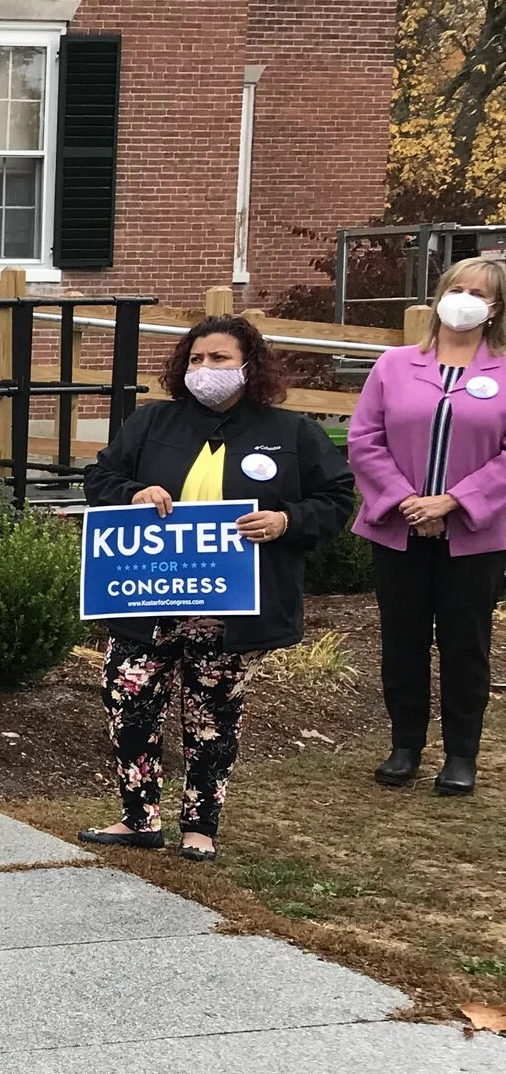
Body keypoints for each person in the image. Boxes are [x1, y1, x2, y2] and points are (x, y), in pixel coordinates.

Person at [81, 315, 355, 858]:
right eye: (196, 359)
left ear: (249, 366)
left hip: (231, 608)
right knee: (129, 707)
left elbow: (337, 497)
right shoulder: (151, 423)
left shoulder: (291, 433)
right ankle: (139, 819)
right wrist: (133, 492)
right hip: (147, 599)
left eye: (219, 359)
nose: (205, 369)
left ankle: (200, 827)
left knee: (211, 717)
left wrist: (286, 522)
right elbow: (100, 479)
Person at [346, 256, 506, 795]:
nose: (462, 299)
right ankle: (405, 745)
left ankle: (462, 754)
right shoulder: (393, 365)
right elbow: (365, 439)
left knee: (466, 645)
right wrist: (407, 500)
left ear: (495, 308)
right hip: (398, 527)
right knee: (402, 640)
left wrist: (453, 502)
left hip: (475, 537)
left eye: (477, 293)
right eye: (455, 288)